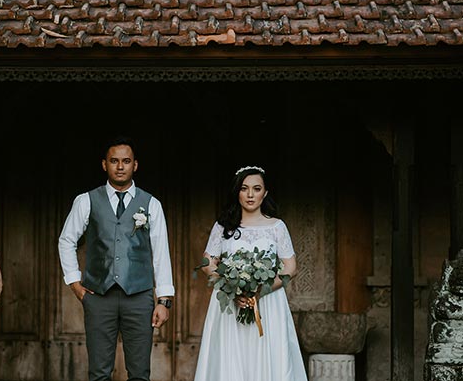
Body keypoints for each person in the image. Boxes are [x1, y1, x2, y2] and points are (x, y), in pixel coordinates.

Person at [58, 136, 175, 381]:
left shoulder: (151, 204)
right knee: (99, 373)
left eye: (126, 161)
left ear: (135, 165)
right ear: (104, 165)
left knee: (140, 373)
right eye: (114, 161)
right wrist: (75, 284)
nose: (120, 166)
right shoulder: (86, 200)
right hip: (98, 297)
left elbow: (161, 251)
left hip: (139, 297)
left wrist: (164, 301)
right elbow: (66, 240)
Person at [194, 166, 307, 381]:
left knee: (268, 355)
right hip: (230, 304)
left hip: (268, 303)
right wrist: (230, 286)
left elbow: (290, 267)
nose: (250, 194)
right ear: (237, 192)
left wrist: (261, 290)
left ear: (265, 193)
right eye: (244, 188)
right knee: (232, 358)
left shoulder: (276, 226)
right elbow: (208, 262)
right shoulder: (223, 227)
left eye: (256, 189)